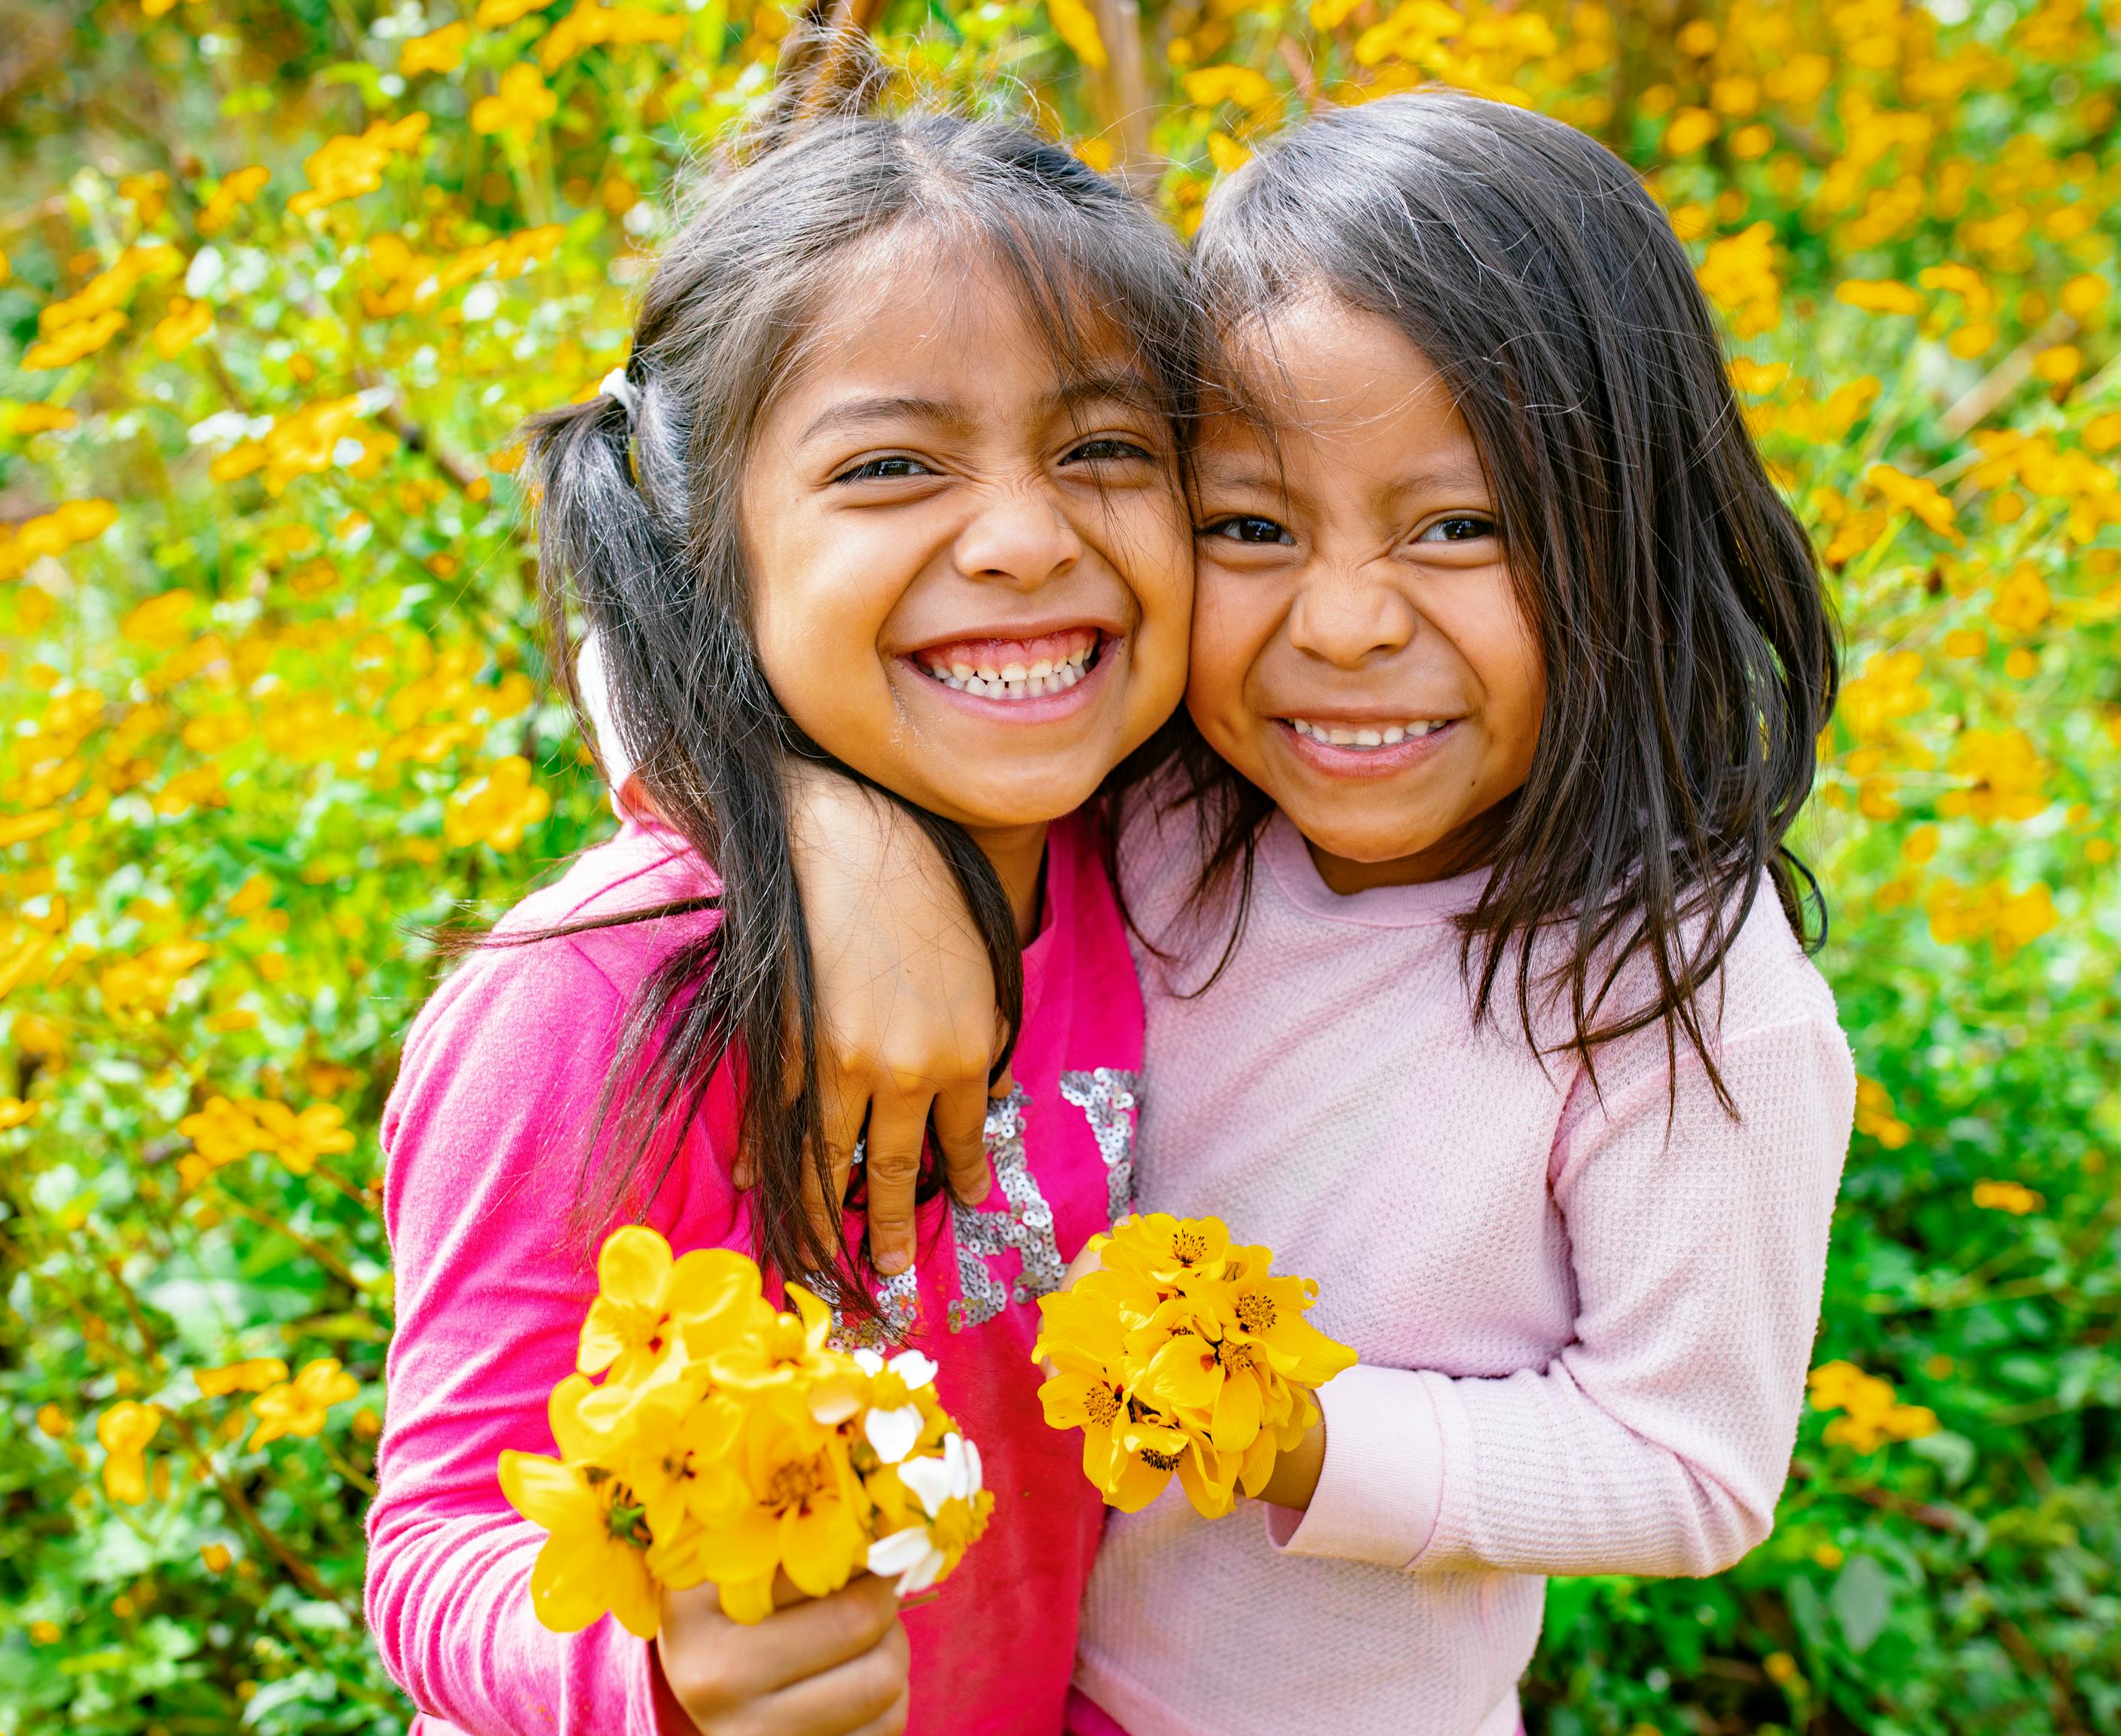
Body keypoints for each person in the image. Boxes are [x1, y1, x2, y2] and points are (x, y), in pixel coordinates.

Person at [789, 92, 1857, 1736]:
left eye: (1462, 528)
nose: (1345, 627)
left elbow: (1688, 1467)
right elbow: (694, 624)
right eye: (1253, 528)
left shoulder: (1685, 992)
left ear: (1630, 531)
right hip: (989, 1684)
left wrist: (1291, 1429)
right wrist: (832, 827)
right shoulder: (1148, 808)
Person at [362, 99, 1201, 1736]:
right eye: (892, 466)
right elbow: (437, 1544)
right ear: (709, 544)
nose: (1030, 540)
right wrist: (656, 1674)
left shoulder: (1173, 876)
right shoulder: (597, 999)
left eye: (1107, 451)